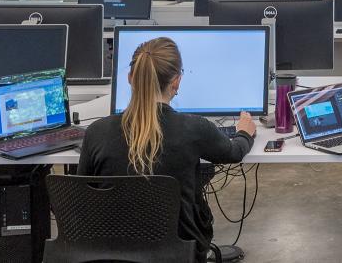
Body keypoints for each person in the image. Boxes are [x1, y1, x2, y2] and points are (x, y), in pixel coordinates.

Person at [78, 37, 256, 261]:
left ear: (130, 78)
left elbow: (82, 196)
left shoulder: (97, 132)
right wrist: (244, 132)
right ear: (176, 82)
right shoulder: (194, 128)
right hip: (179, 253)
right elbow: (233, 152)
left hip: (109, 251)